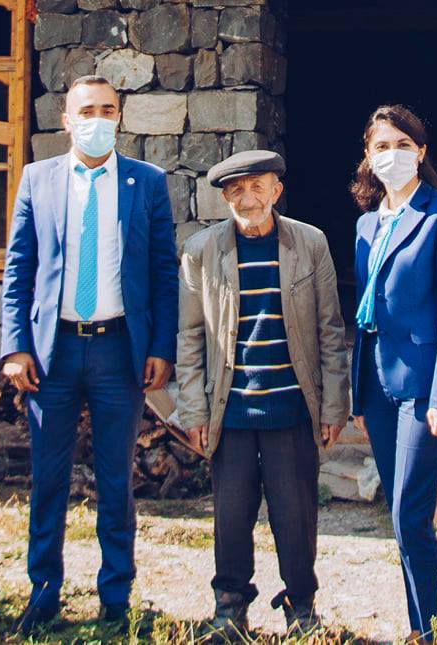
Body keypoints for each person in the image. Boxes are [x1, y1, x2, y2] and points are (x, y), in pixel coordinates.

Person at [0, 75, 179, 633]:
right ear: (66, 119)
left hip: (117, 350)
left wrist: (161, 347)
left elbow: (164, 272)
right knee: (49, 478)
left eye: (107, 110)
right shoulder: (38, 179)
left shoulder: (147, 182)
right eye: (87, 110)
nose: (97, 119)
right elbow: (18, 269)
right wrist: (16, 347)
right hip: (51, 353)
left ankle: (115, 597)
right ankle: (43, 593)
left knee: (115, 480)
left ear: (119, 117)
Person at [174, 149, 350, 638]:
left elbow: (331, 329)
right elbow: (189, 337)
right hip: (230, 412)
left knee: (295, 517)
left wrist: (334, 404)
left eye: (258, 187)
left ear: (277, 191)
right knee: (231, 518)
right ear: (225, 198)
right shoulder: (201, 251)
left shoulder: (310, 243)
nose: (248, 198)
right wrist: (193, 410)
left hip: (291, 408)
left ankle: (302, 608)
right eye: (237, 190)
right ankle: (230, 608)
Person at [349, 103, 437, 642]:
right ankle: (423, 626)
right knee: (401, 514)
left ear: (421, 152)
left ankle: (434, 632)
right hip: (378, 388)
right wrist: (358, 395)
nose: (393, 155)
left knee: (410, 513)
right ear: (368, 156)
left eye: (403, 145)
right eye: (382, 146)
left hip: (424, 388)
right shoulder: (366, 224)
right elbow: (365, 311)